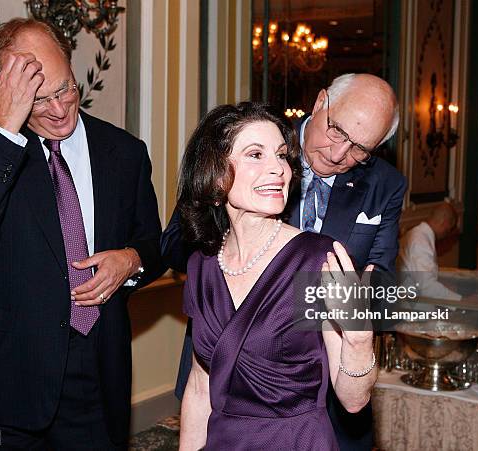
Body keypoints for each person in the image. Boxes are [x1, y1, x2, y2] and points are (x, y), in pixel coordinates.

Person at [0, 18, 163, 449]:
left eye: (66, 89)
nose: (60, 110)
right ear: (7, 90)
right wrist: (5, 127)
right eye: (40, 100)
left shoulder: (125, 151)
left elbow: (156, 242)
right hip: (5, 376)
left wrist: (131, 260)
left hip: (97, 371)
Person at [163, 73, 406, 450]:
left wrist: (358, 334)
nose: (341, 154)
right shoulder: (204, 262)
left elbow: (355, 396)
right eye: (256, 155)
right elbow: (199, 385)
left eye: (280, 156)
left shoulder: (321, 255)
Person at [398, 202, 462, 300]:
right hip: (411, 308)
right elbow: (426, 286)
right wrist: (459, 300)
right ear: (445, 223)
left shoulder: (416, 234)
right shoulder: (420, 241)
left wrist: (444, 288)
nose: (446, 234)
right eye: (449, 230)